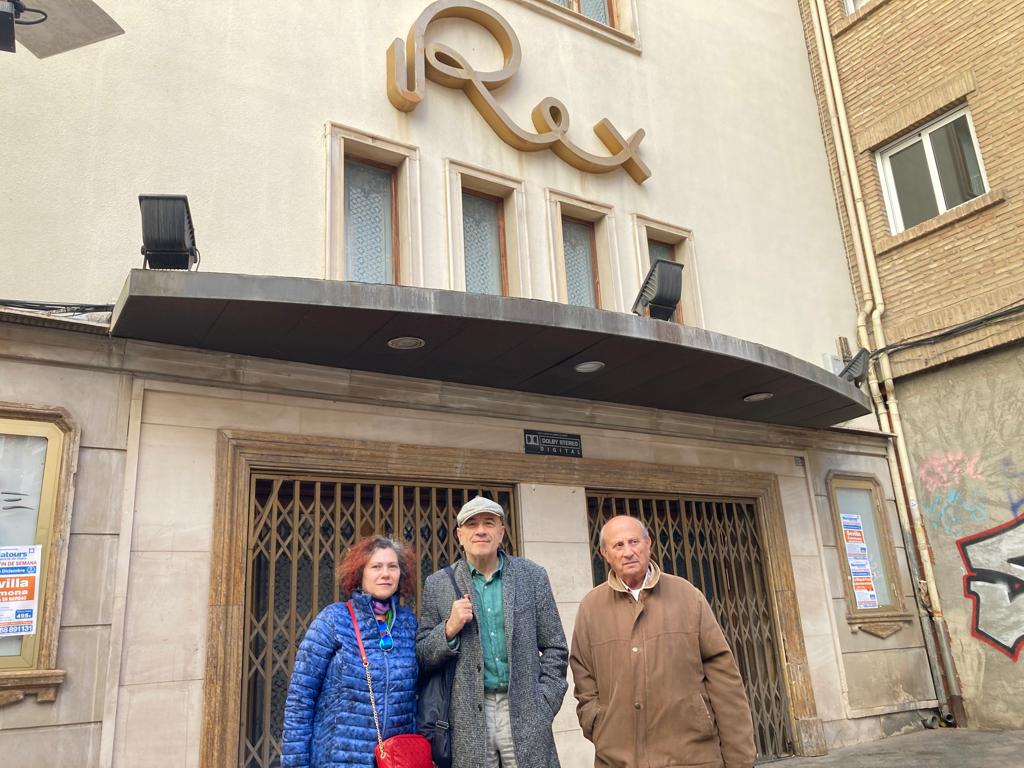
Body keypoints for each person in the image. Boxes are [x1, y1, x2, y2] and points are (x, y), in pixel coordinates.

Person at [570, 515, 756, 768]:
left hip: (691, 756)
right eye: (618, 545)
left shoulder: (688, 596)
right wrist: (598, 722)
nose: (628, 552)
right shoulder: (591, 607)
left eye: (634, 542)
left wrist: (740, 760)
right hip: (618, 758)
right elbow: (583, 674)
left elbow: (725, 682)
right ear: (605, 553)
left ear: (649, 544)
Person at [417, 496, 568, 768]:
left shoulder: (532, 576)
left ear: (501, 532)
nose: (481, 530)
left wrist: (545, 703)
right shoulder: (438, 584)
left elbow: (555, 646)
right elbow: (423, 656)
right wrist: (449, 629)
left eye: (489, 523)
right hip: (467, 720)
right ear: (459, 535)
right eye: (472, 524)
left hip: (524, 711)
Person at [281, 535, 419, 768]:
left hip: (396, 760)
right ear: (360, 574)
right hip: (339, 759)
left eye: (392, 566)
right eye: (376, 566)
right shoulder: (333, 620)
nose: (385, 574)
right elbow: (300, 699)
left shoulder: (408, 624)